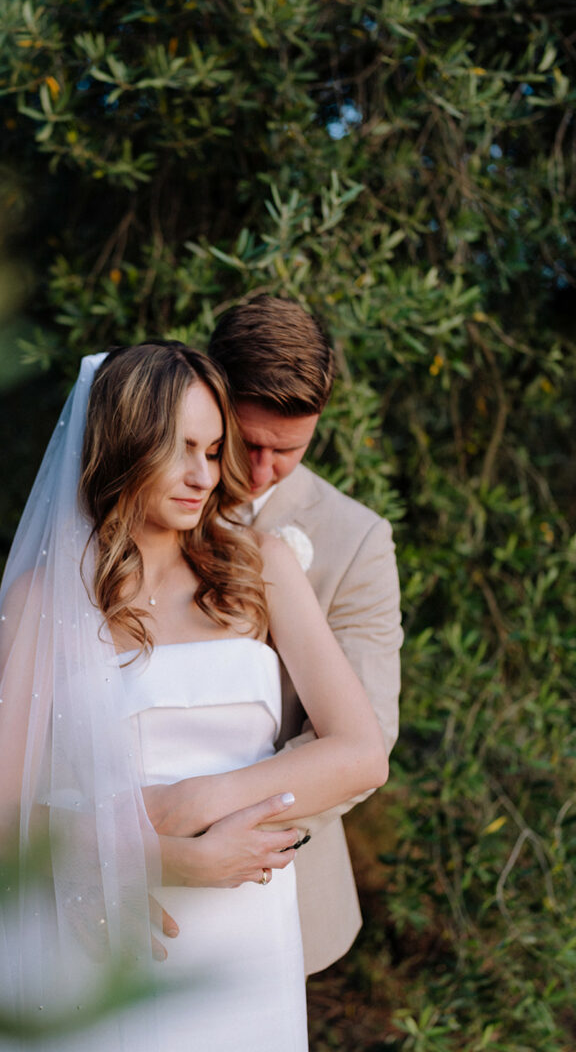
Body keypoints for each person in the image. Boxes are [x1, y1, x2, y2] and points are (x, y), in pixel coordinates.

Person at [0, 342, 388, 1052]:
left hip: (248, 932)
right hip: (103, 925)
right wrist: (165, 856)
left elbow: (361, 755)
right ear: (129, 447)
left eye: (214, 449)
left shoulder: (261, 568)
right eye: (183, 449)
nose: (204, 475)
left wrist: (192, 803)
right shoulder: (45, 598)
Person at [207, 295, 403, 975]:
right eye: (246, 442)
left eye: (286, 451)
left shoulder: (358, 542)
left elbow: (368, 730)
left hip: (278, 886)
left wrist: (223, 833)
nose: (260, 472)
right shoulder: (134, 500)